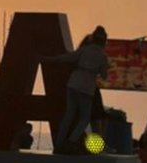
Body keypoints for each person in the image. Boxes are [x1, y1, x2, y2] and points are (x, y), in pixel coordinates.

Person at [42, 26, 109, 155]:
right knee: (84, 118)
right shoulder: (102, 56)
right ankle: (71, 141)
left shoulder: (84, 50)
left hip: (73, 83)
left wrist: (48, 59)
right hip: (87, 87)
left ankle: (59, 142)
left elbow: (66, 57)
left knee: (69, 115)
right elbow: (104, 75)